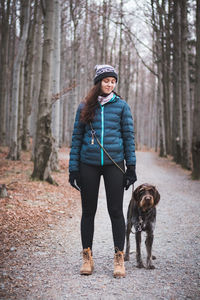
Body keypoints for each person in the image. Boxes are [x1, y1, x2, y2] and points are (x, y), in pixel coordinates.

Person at [69, 64, 137, 278]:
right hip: (87, 163)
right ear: (98, 82)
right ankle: (87, 257)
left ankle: (119, 258)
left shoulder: (122, 106)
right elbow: (76, 138)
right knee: (88, 212)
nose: (109, 84)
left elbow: (128, 137)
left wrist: (131, 167)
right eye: (106, 80)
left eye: (113, 81)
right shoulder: (85, 106)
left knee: (115, 211)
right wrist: (73, 169)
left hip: (114, 164)